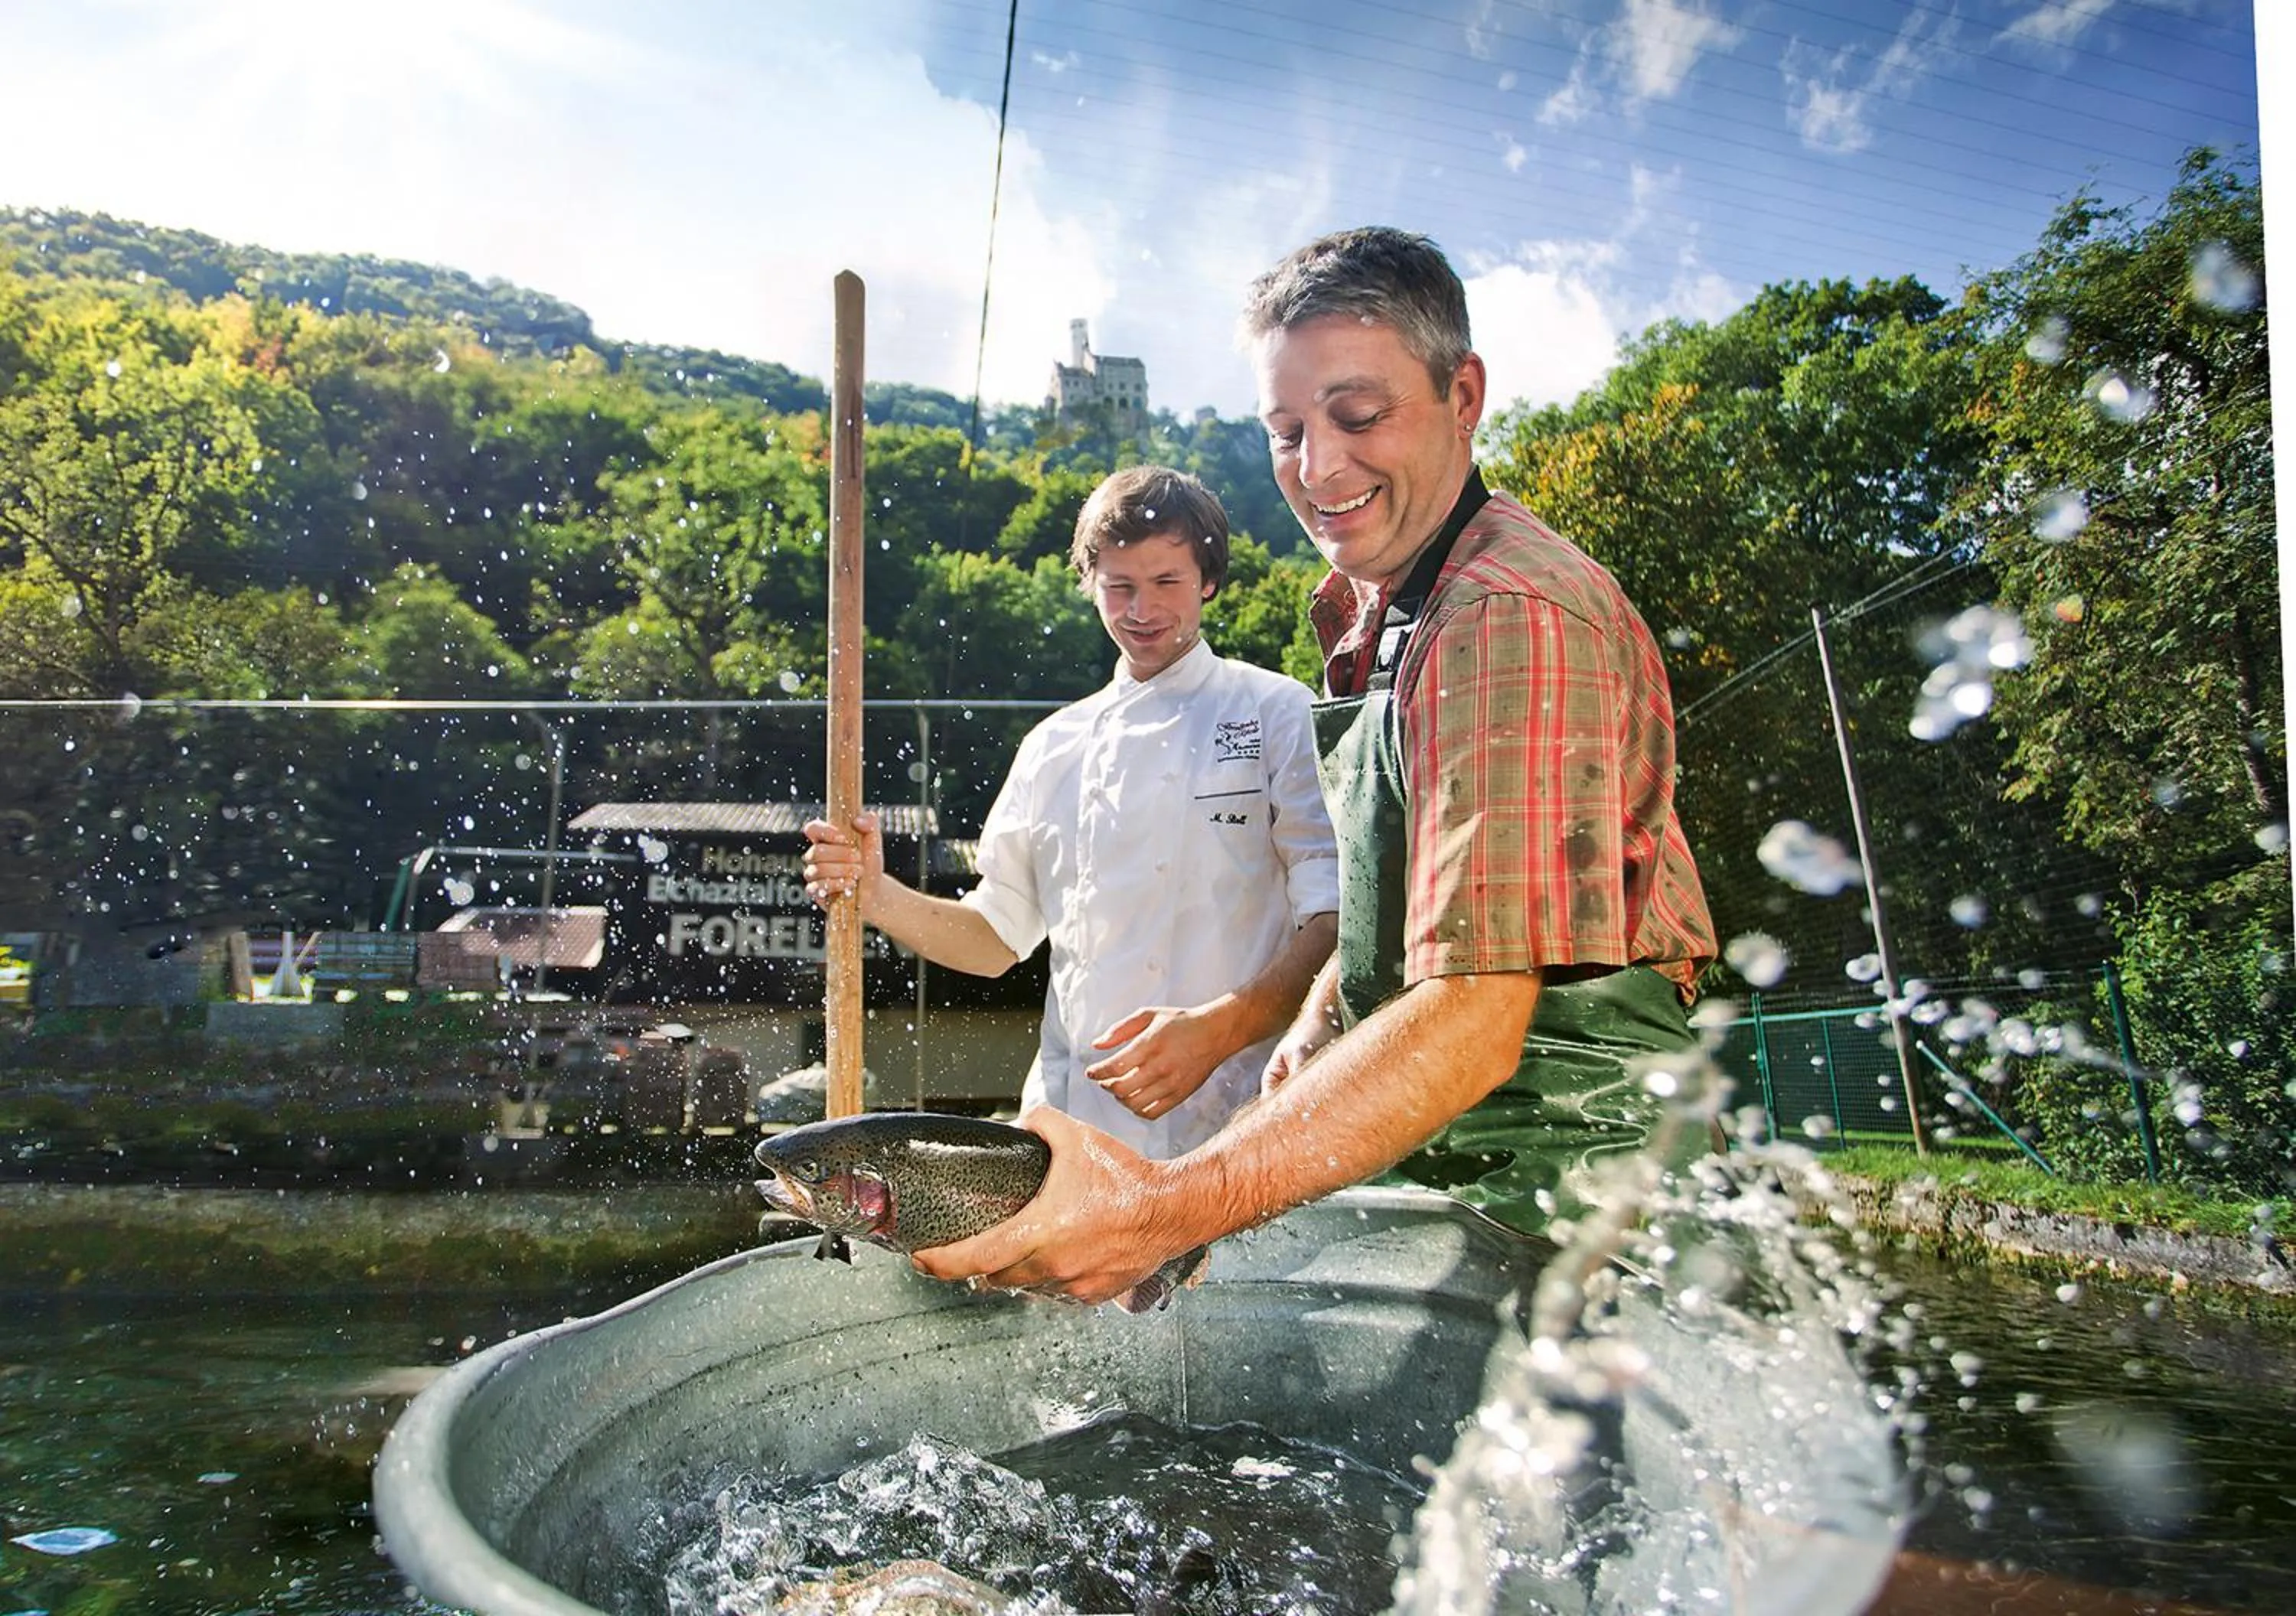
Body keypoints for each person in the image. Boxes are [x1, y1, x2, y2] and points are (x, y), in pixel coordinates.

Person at [909, 226, 1718, 1305]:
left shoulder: (1503, 617)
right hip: (1444, 1155)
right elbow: (1424, 905)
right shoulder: (1385, 620)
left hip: (1573, 1186)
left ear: (1464, 394)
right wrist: (1321, 1015)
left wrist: (1165, 1208)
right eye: (1287, 430)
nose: (1319, 466)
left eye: (1361, 416)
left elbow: (1475, 1016)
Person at [802, 464, 1339, 1158]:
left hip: (1243, 1123)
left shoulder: (1278, 712)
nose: (1141, 610)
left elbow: (1333, 922)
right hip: (1073, 1130)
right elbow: (997, 939)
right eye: (1119, 587)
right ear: (1091, 586)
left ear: (1209, 580)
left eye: (1166, 583)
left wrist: (1220, 1031)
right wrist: (877, 894)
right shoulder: (1054, 746)